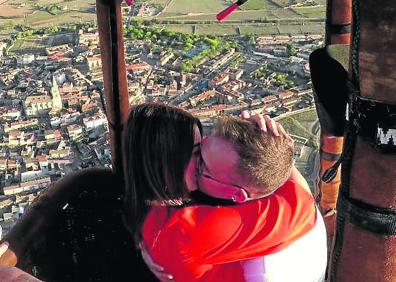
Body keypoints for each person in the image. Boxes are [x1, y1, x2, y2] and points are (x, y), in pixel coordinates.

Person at [123, 103, 326, 281]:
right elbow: (303, 205)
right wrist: (274, 147)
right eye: (196, 154)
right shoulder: (189, 229)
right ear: (164, 165)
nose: (201, 158)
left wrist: (258, 142)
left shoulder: (154, 203)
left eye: (203, 142)